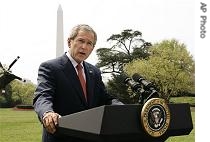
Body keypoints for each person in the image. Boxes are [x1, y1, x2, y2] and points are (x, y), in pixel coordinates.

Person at [33, 24, 123, 142]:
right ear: (69, 42)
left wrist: (122, 108)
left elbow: (105, 99)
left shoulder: (94, 72)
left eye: (89, 43)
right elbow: (42, 96)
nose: (84, 47)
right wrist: (48, 113)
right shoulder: (50, 67)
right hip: (60, 137)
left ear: (92, 48)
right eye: (81, 41)